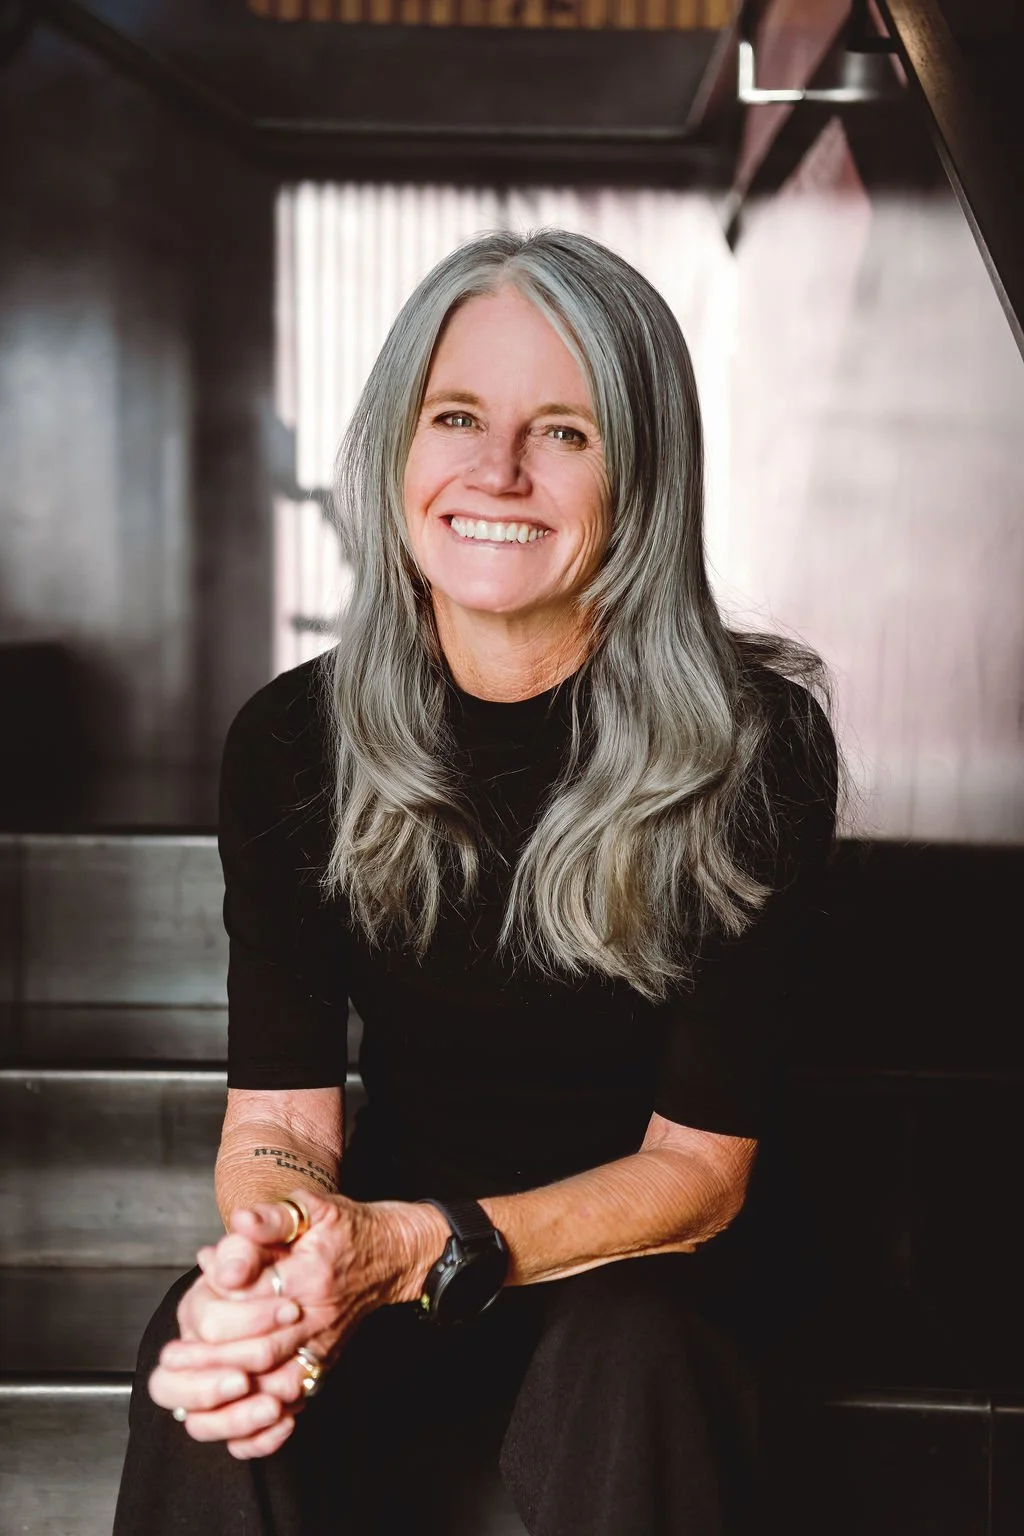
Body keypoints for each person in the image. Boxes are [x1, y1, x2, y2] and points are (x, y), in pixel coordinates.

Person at [113, 228, 839, 1536]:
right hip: (398, 1261)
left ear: (646, 475)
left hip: (646, 1283)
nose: (495, 470)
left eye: (564, 431)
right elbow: (278, 1123)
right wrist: (278, 1266)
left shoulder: (756, 749)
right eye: (458, 416)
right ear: (400, 447)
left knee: (632, 1347)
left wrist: (419, 1247)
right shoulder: (292, 740)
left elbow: (699, 1175)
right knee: (206, 1344)